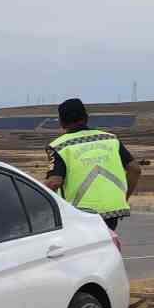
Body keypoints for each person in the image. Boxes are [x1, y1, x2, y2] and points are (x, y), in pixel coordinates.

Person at [44, 98, 141, 231]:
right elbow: (135, 169)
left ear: (61, 122)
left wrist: (38, 205)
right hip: (113, 209)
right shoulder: (110, 139)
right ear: (86, 117)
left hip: (81, 213)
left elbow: (54, 182)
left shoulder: (58, 146)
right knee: (106, 245)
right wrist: (123, 198)